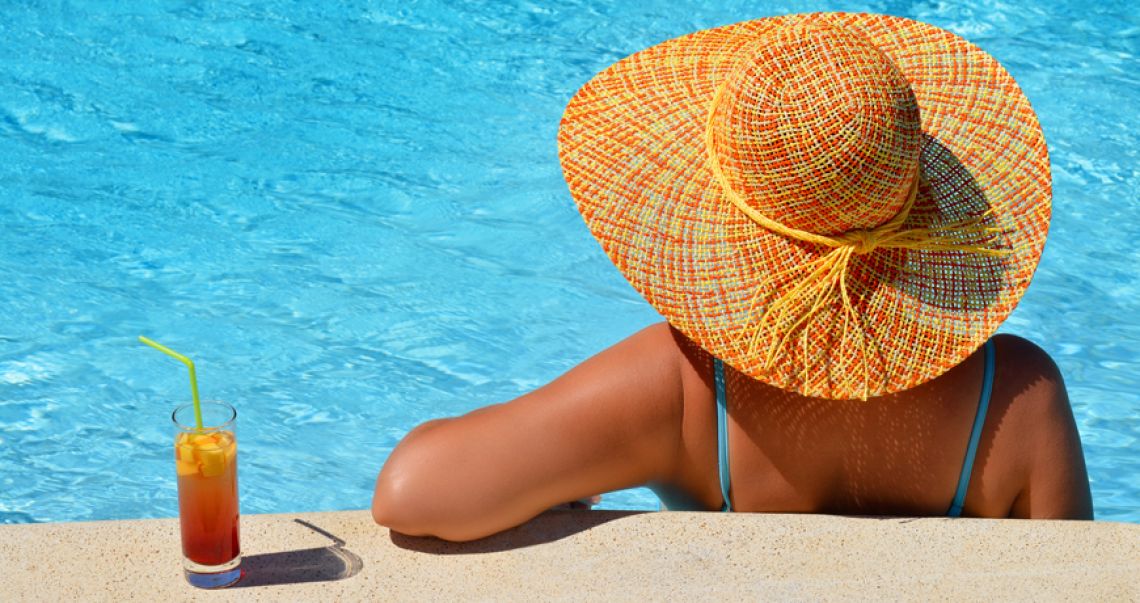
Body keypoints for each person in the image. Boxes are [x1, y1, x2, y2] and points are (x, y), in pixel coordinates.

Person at [371, 12, 1093, 542]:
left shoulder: (680, 386)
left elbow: (413, 490)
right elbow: (1074, 577)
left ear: (731, 226)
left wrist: (564, 470)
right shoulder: (1020, 398)